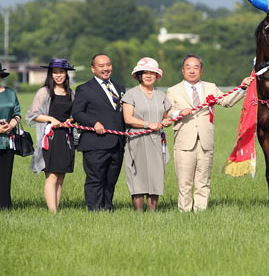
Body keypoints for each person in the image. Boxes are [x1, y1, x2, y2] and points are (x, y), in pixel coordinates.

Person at [166, 55, 253, 212]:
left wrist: (242, 87)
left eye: (196, 67)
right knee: (184, 182)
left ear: (201, 70)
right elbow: (166, 114)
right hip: (184, 142)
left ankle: (200, 211)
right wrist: (178, 112)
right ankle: (184, 211)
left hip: (205, 141)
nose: (192, 71)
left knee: (203, 180)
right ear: (182, 70)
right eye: (188, 67)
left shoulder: (210, 87)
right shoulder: (173, 91)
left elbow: (227, 101)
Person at [72, 54, 126, 211]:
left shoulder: (120, 88)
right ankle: (94, 209)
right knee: (95, 178)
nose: (106, 68)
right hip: (95, 142)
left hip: (117, 142)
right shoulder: (84, 89)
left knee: (111, 178)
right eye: (101, 66)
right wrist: (94, 123)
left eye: (108, 65)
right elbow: (77, 113)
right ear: (93, 68)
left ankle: (108, 207)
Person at [121, 58, 172, 212]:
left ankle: (152, 214)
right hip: (137, 140)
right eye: (146, 73)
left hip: (156, 140)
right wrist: (148, 124)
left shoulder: (161, 95)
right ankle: (139, 213)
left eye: (152, 73)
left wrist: (167, 121)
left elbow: (167, 115)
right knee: (138, 177)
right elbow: (128, 118)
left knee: (155, 177)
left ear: (157, 76)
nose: (149, 76)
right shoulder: (131, 94)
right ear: (139, 75)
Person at [26, 58, 76, 213]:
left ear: (66, 74)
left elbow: (74, 114)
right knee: (52, 176)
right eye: (55, 72)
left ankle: (56, 209)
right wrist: (50, 119)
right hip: (50, 137)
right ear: (50, 74)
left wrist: (70, 120)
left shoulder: (70, 93)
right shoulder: (44, 92)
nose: (58, 75)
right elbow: (32, 115)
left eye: (61, 72)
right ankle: (52, 212)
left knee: (61, 177)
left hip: (65, 138)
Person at [0, 63, 21, 210]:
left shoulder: (10, 93)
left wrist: (11, 125)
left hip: (7, 141)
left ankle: (5, 206)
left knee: (5, 176)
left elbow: (17, 113)